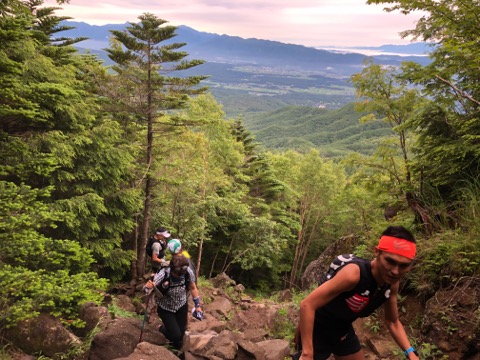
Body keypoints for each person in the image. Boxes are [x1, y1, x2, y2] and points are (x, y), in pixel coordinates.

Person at [296, 225, 420, 360]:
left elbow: (392, 321)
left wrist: (411, 352)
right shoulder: (353, 275)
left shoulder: (391, 284)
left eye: (403, 265)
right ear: (377, 252)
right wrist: (307, 353)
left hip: (343, 331)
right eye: (390, 261)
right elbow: (307, 304)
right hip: (317, 329)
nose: (396, 271)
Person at [144, 254, 203, 350]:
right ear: (172, 268)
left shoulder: (187, 272)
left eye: (181, 274)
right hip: (165, 308)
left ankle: (176, 348)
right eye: (177, 274)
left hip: (181, 305)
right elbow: (150, 287)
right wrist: (148, 287)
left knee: (182, 332)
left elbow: (192, 288)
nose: (179, 276)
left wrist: (197, 305)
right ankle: (162, 329)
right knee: (176, 335)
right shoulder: (164, 273)